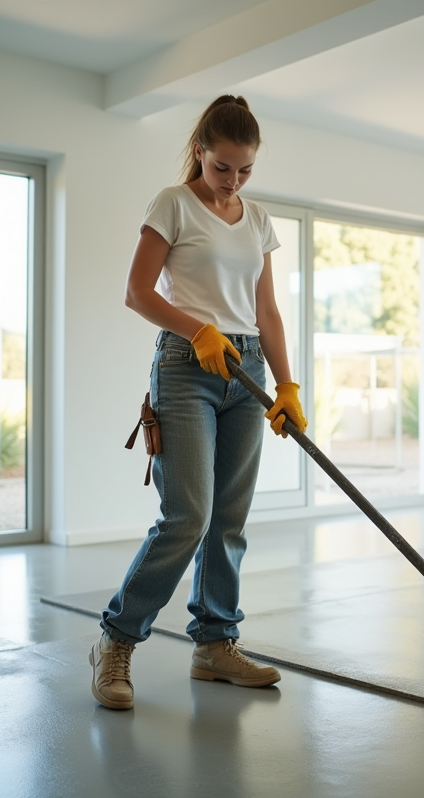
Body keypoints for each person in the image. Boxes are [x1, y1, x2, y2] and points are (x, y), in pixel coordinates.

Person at [90, 95, 307, 710]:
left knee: (229, 518)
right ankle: (116, 639)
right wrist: (196, 330)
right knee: (188, 515)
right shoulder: (173, 203)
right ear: (201, 153)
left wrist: (286, 385)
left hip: (248, 371)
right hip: (188, 367)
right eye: (222, 168)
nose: (232, 181)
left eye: (244, 170)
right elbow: (137, 293)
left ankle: (215, 644)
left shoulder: (257, 218)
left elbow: (266, 311)